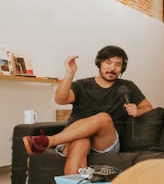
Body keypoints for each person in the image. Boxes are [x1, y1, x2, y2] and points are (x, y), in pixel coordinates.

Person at [22, 45, 153, 174]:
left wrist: (138, 110)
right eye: (108, 62)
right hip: (75, 136)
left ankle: (49, 141)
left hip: (105, 142)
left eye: (117, 65)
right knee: (80, 143)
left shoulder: (127, 86)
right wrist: (70, 73)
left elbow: (148, 107)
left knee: (103, 117)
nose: (112, 68)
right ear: (99, 63)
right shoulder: (82, 85)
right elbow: (60, 99)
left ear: (122, 68)